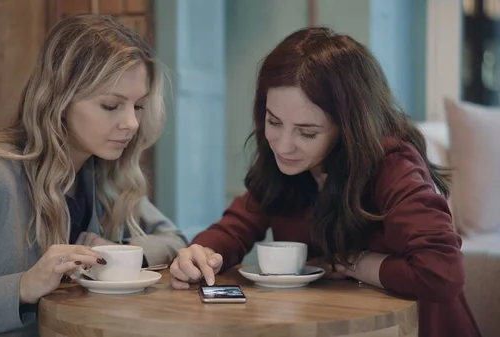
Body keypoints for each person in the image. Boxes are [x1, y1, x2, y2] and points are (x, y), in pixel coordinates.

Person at [169, 27, 481, 337]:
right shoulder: (283, 163)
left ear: (348, 127)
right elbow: (236, 227)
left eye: (307, 132)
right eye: (273, 122)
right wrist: (200, 252)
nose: (283, 145)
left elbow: (442, 273)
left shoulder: (392, 164)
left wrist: (352, 262)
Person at [0, 14, 186, 337]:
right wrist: (22, 286)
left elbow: (174, 240)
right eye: (111, 106)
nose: (132, 124)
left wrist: (118, 250)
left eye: (138, 106)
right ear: (59, 101)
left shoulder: (101, 171)